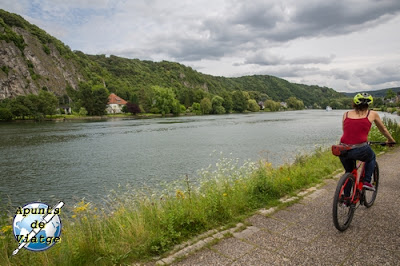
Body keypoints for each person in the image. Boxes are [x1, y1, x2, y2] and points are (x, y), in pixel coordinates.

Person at [339, 92, 396, 191]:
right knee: (371, 157)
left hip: (342, 148)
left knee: (349, 171)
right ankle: (366, 181)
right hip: (360, 149)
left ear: (354, 103)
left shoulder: (346, 114)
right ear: (369, 104)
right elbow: (383, 129)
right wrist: (391, 140)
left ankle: (346, 199)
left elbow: (347, 131)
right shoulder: (372, 114)